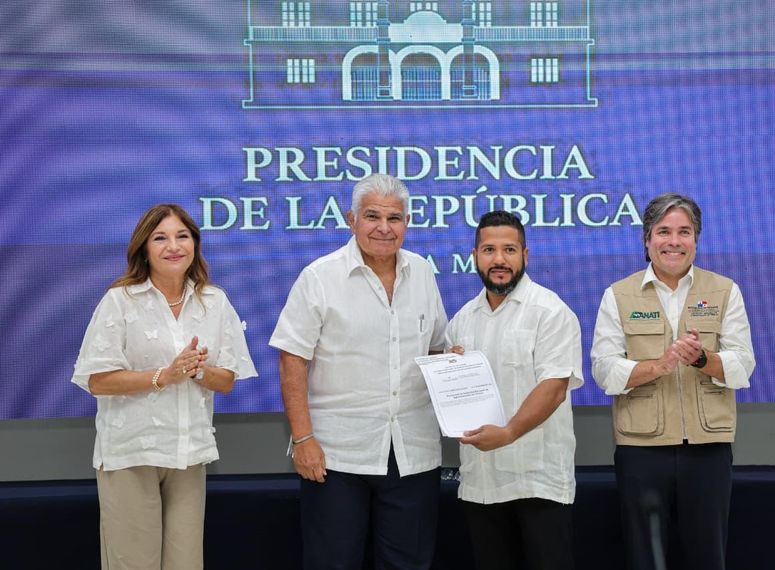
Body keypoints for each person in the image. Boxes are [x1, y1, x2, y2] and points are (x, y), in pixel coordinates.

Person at [269, 173, 448, 569]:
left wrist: (456, 369)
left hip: (412, 451)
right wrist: (303, 439)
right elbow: (292, 358)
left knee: (409, 563)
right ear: (351, 219)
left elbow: (436, 346)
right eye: (372, 216)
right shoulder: (320, 277)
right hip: (336, 455)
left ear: (407, 223)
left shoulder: (422, 273)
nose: (384, 228)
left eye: (395, 218)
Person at [72, 204, 258, 570]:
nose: (173, 246)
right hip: (131, 453)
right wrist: (164, 376)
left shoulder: (215, 302)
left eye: (182, 236)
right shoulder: (120, 301)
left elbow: (228, 380)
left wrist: (197, 371)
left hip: (188, 454)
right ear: (144, 248)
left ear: (195, 244)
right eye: (161, 238)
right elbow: (96, 379)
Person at [590, 193, 755, 570]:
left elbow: (743, 364)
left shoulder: (725, 290)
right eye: (663, 232)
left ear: (696, 239)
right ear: (647, 240)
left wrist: (702, 359)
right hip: (641, 449)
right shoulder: (618, 294)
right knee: (646, 557)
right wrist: (659, 365)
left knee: (708, 556)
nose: (674, 241)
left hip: (708, 447)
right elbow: (604, 370)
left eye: (684, 231)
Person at [446, 210, 584, 570]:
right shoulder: (461, 320)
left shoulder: (550, 312)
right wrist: (446, 366)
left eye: (509, 250)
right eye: (489, 250)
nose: (499, 260)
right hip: (481, 481)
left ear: (526, 255)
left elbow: (554, 387)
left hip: (538, 481)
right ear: (474, 257)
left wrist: (508, 433)